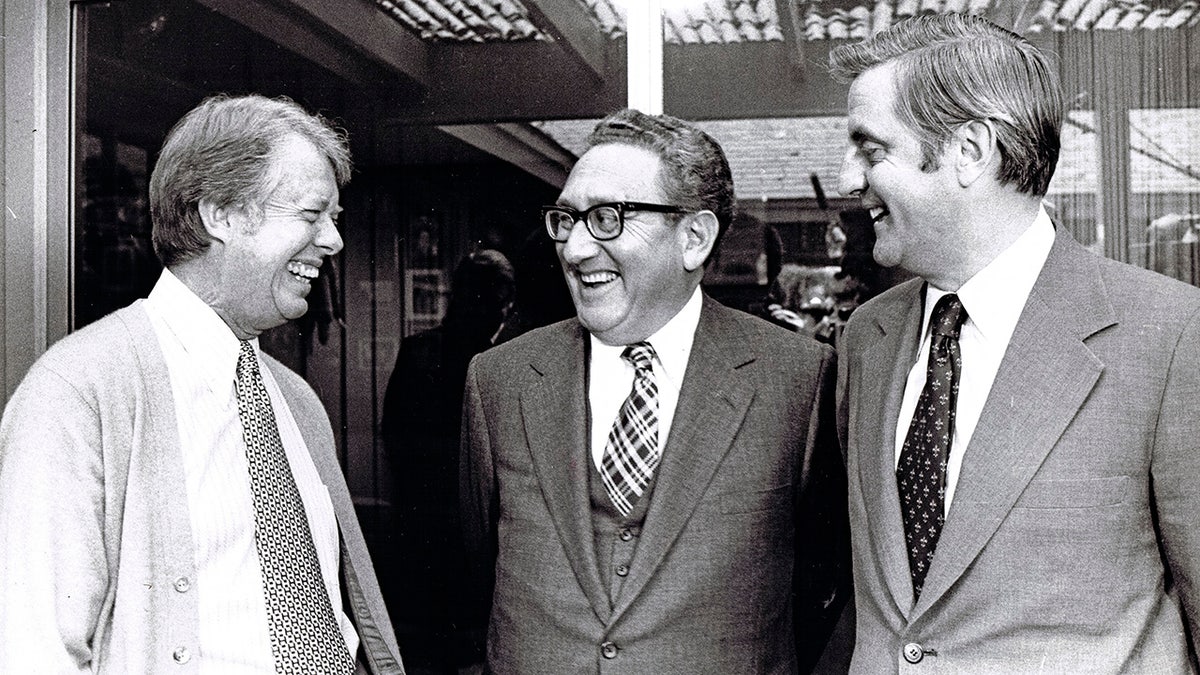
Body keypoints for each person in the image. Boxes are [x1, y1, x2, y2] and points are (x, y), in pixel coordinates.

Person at [831, 13, 1200, 672]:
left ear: (970, 151)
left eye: (871, 148)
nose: (846, 179)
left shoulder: (1170, 336)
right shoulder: (867, 338)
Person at [0, 94, 404, 673]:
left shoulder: (299, 404)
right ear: (220, 213)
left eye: (333, 220)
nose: (334, 241)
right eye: (313, 215)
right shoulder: (76, 393)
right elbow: (36, 651)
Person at [460, 108, 850, 673]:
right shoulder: (500, 379)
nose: (574, 249)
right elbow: (479, 568)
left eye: (609, 218)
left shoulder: (798, 379)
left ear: (694, 238)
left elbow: (822, 586)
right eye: (567, 220)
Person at [380, 249, 515, 672]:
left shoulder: (418, 349)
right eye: (499, 302)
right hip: (465, 535)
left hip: (419, 526)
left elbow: (393, 434)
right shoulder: (495, 365)